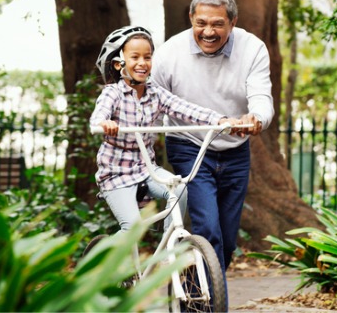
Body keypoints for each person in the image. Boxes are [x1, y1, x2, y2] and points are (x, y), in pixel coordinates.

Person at [151, 0, 274, 307]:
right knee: (208, 228)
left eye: (217, 24)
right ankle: (211, 308)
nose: (208, 31)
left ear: (232, 22)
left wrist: (257, 117)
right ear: (191, 17)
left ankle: (197, 296)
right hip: (189, 144)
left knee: (228, 241)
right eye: (201, 22)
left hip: (235, 148)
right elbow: (150, 104)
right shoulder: (168, 54)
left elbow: (261, 94)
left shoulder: (252, 48)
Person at [90, 25, 241, 233]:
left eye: (147, 57)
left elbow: (186, 109)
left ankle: (168, 251)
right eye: (135, 57)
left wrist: (221, 120)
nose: (142, 63)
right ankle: (104, 262)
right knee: (132, 229)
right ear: (118, 64)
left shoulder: (156, 94)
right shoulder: (112, 94)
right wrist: (104, 124)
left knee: (179, 188)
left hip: (146, 170)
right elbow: (98, 118)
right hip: (116, 174)